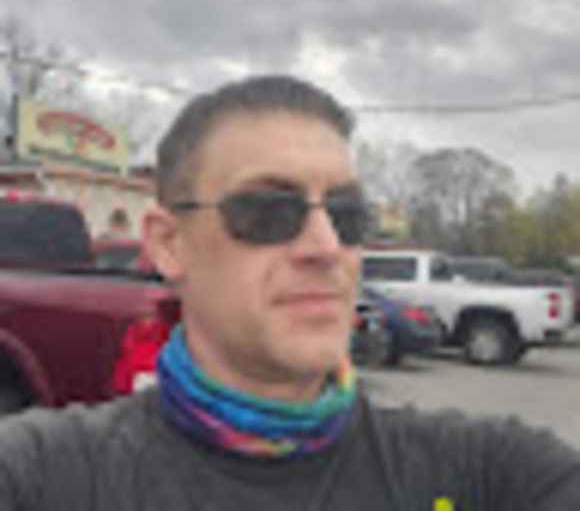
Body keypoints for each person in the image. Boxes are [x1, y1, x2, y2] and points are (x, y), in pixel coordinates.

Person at [0, 75, 579, 510]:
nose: (326, 246)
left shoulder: (483, 473)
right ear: (170, 243)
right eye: (269, 209)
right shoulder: (46, 474)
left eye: (347, 214)